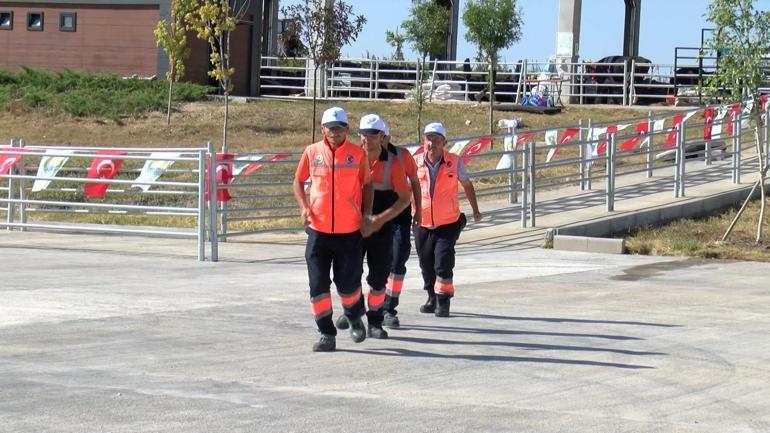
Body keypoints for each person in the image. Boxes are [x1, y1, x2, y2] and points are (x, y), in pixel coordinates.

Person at [293, 106, 373, 352]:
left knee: (347, 284)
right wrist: (304, 207)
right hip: (318, 231)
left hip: (349, 232)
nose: (335, 133)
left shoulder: (357, 154)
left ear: (346, 130)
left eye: (339, 128)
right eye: (331, 128)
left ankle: (354, 315)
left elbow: (368, 185)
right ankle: (326, 333)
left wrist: (366, 215)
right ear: (322, 129)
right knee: (317, 285)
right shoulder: (312, 152)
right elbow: (298, 181)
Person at [336, 114, 411, 339]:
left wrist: (380, 219)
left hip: (381, 228)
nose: (366, 139)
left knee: (378, 278)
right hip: (353, 225)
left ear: (381, 136)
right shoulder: (350, 159)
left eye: (371, 135)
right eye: (363, 134)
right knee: (349, 273)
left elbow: (404, 199)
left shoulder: (394, 163)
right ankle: (355, 309)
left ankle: (375, 320)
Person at [413, 122, 482, 317]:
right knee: (425, 263)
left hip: (448, 223)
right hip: (422, 222)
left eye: (436, 139)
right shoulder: (415, 162)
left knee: (443, 261)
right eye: (428, 138)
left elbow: (467, 185)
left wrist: (475, 210)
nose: (431, 143)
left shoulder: (454, 161)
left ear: (444, 142)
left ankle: (443, 301)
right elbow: (406, 189)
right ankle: (431, 297)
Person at [381, 120, 421, 329]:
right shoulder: (361, 155)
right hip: (374, 217)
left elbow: (415, 181)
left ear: (388, 137)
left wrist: (418, 210)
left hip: (400, 217)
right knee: (374, 264)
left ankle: (389, 307)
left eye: (382, 136)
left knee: (398, 261)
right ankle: (364, 307)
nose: (377, 139)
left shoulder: (402, 156)